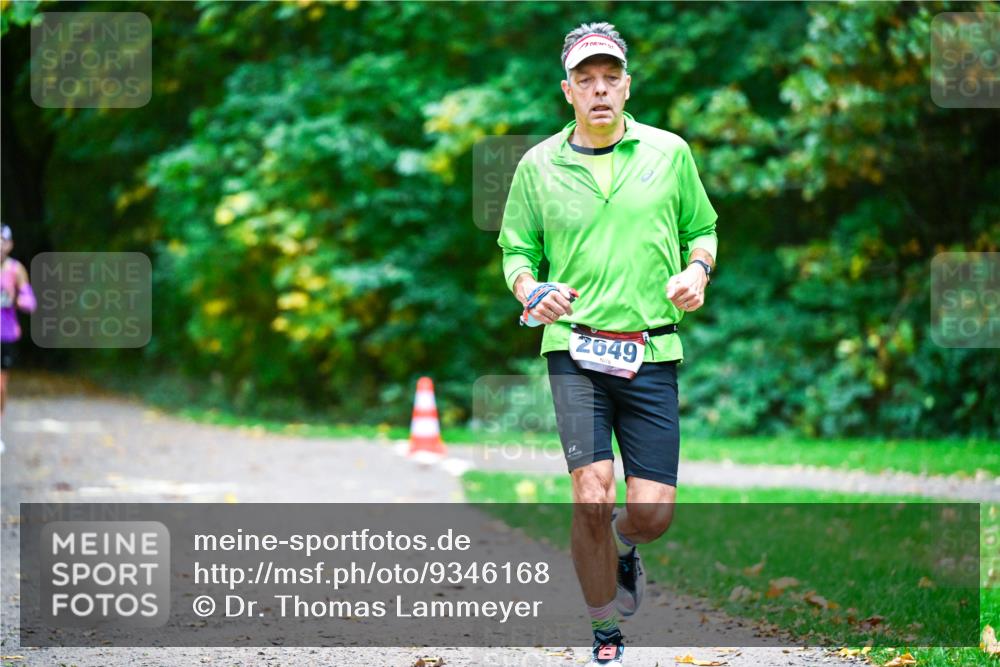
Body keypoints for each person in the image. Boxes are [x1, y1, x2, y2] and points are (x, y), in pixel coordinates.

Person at [498, 22, 718, 667]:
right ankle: (604, 630)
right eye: (586, 80)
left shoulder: (669, 153)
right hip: (574, 348)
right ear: (567, 91)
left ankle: (624, 549)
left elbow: (701, 228)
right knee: (590, 493)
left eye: (610, 78)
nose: (600, 90)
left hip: (651, 349)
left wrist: (696, 271)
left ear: (627, 85)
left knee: (651, 515)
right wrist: (530, 291)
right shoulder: (539, 164)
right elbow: (516, 249)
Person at [1, 224, 37, 454]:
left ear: (10, 244)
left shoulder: (16, 270)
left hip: (5, 334)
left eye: (3, 240)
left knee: (0, 386)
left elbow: (31, 302)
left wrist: (15, 301)